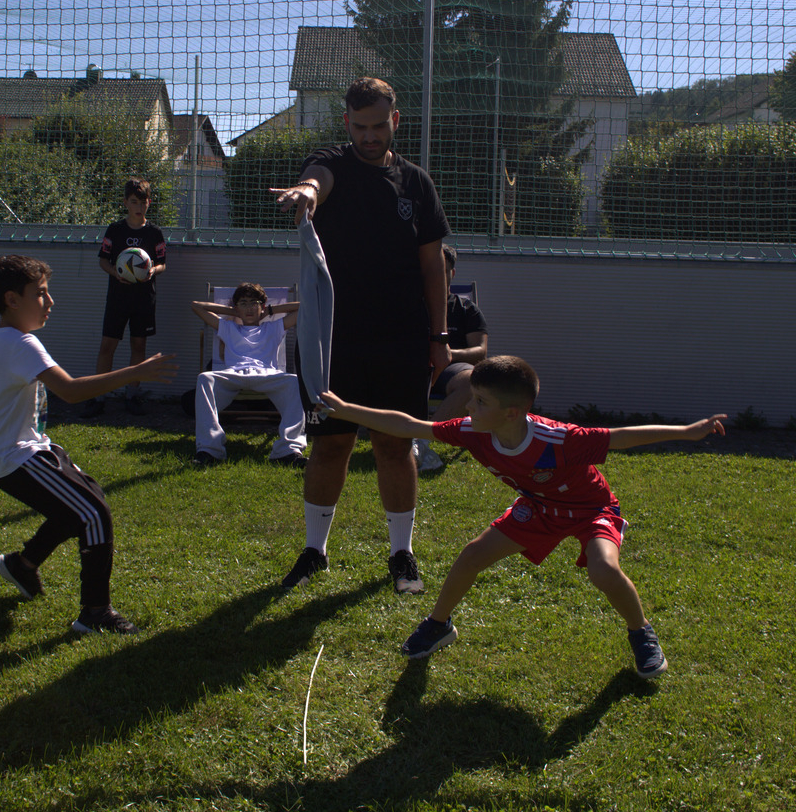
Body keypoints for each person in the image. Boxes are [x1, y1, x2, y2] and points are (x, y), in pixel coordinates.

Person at [319, 355, 726, 678]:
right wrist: (347, 410)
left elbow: (621, 438)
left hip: (590, 510)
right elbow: (410, 425)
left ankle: (642, 633)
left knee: (603, 570)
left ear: (512, 413)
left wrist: (687, 431)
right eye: (472, 397)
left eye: (480, 401)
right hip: (539, 507)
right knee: (472, 556)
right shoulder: (472, 430)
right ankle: (438, 625)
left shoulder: (559, 439)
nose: (469, 406)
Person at [270, 76, 451, 594]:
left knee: (396, 446)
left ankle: (402, 555)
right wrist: (307, 192)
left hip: (402, 339)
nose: (369, 136)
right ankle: (314, 551)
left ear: (396, 120)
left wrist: (439, 337)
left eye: (379, 126)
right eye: (359, 126)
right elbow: (318, 180)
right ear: (347, 122)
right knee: (331, 446)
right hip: (335, 341)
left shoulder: (416, 183)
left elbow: (432, 266)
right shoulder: (333, 162)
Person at [0, 254, 176, 635]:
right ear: (12, 299)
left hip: (24, 449)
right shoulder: (22, 344)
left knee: (84, 501)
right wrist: (137, 372)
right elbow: (72, 392)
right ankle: (95, 612)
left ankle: (22, 565)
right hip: (15, 457)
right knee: (93, 513)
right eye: (41, 294)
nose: (50, 301)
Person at [189, 283, 308, 469]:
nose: (249, 308)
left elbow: (306, 306)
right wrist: (233, 311)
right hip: (234, 374)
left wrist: (270, 311)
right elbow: (196, 306)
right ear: (236, 308)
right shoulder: (228, 327)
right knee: (205, 378)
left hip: (267, 374)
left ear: (262, 306)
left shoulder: (274, 327)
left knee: (294, 381)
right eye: (243, 303)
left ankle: (288, 450)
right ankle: (209, 449)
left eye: (254, 303)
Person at [82, 177, 166, 418]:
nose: (139, 206)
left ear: (149, 203)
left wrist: (152, 271)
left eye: (143, 202)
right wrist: (115, 273)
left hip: (144, 298)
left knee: (139, 345)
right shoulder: (115, 230)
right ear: (126, 202)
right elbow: (103, 261)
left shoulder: (154, 233)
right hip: (118, 298)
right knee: (107, 346)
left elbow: (162, 264)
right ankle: (98, 397)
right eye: (134, 201)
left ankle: (132, 395)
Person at [414, 244, 489, 473]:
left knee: (473, 381)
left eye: (442, 271)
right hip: (413, 367)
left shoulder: (466, 309)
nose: (435, 276)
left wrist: (444, 353)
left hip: (452, 370)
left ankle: (422, 441)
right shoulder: (411, 306)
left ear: (452, 273)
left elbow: (480, 351)